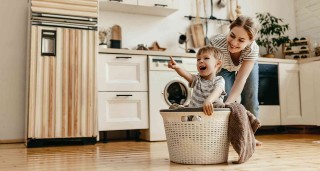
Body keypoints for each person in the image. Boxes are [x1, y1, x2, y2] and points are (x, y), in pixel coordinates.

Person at [210, 15, 262, 145]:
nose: (234, 43)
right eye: (232, 35)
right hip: (224, 67)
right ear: (229, 30)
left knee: (250, 97)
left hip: (246, 64)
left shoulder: (252, 49)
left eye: (241, 40)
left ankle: (249, 136)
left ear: (250, 41)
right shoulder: (216, 43)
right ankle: (226, 137)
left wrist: (229, 102)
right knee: (223, 99)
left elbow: (241, 79)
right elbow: (209, 70)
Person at [168, 46, 226, 116]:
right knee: (173, 107)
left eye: (206, 58)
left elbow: (218, 90)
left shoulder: (219, 80)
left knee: (219, 104)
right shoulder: (197, 79)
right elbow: (186, 75)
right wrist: (177, 67)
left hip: (209, 115)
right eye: (198, 59)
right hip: (193, 114)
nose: (200, 61)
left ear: (218, 64)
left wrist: (209, 101)